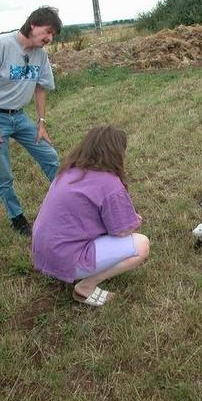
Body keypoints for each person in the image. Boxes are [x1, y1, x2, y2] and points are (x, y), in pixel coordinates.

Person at [32, 126, 150, 306]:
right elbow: (121, 231)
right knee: (142, 245)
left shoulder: (69, 171)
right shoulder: (109, 183)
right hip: (66, 257)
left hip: (42, 252)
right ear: (115, 153)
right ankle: (86, 287)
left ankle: (72, 270)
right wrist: (134, 221)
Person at [0, 6, 62, 235]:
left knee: (50, 157)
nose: (49, 38)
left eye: (53, 35)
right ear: (33, 25)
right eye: (47, 31)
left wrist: (41, 122)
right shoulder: (1, 45)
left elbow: (41, 87)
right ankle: (17, 218)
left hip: (20, 117)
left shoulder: (40, 55)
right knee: (3, 173)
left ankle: (68, 200)